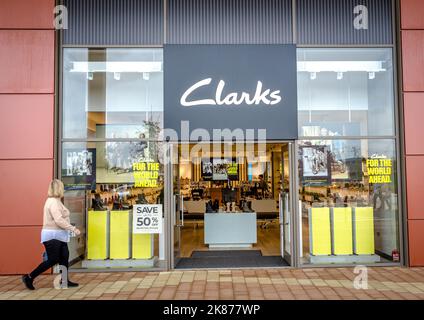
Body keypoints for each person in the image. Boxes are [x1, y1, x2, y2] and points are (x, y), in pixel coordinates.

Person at [22, 179, 81, 290]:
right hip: (53, 236)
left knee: (64, 257)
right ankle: (29, 277)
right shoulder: (53, 202)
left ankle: (64, 281)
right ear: (59, 188)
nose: (63, 189)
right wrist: (73, 229)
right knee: (53, 260)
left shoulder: (56, 201)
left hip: (59, 236)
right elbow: (58, 220)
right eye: (62, 187)